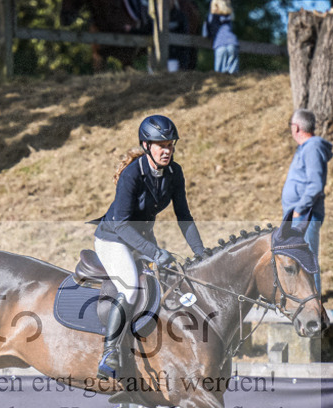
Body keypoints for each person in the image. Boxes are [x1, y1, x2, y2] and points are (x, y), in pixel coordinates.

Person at [92, 115, 207, 379]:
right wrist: (155, 253)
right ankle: (109, 352)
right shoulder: (132, 174)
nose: (166, 150)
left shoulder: (174, 172)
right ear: (146, 146)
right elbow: (121, 225)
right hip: (113, 239)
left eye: (170, 144)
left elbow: (184, 216)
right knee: (131, 287)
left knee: (170, 283)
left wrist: (201, 253)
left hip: (142, 239)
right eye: (160, 145)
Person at [281, 108, 332, 294]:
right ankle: (304, 302)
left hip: (305, 216)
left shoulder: (313, 147)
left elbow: (315, 184)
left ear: (296, 127)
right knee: (297, 259)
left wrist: (299, 209)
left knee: (307, 260)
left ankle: (314, 307)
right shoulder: (306, 148)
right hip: (299, 216)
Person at [202, 0, 239, 75]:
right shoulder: (229, 16)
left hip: (220, 44)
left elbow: (205, 34)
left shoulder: (210, 16)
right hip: (232, 43)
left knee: (218, 76)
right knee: (233, 75)